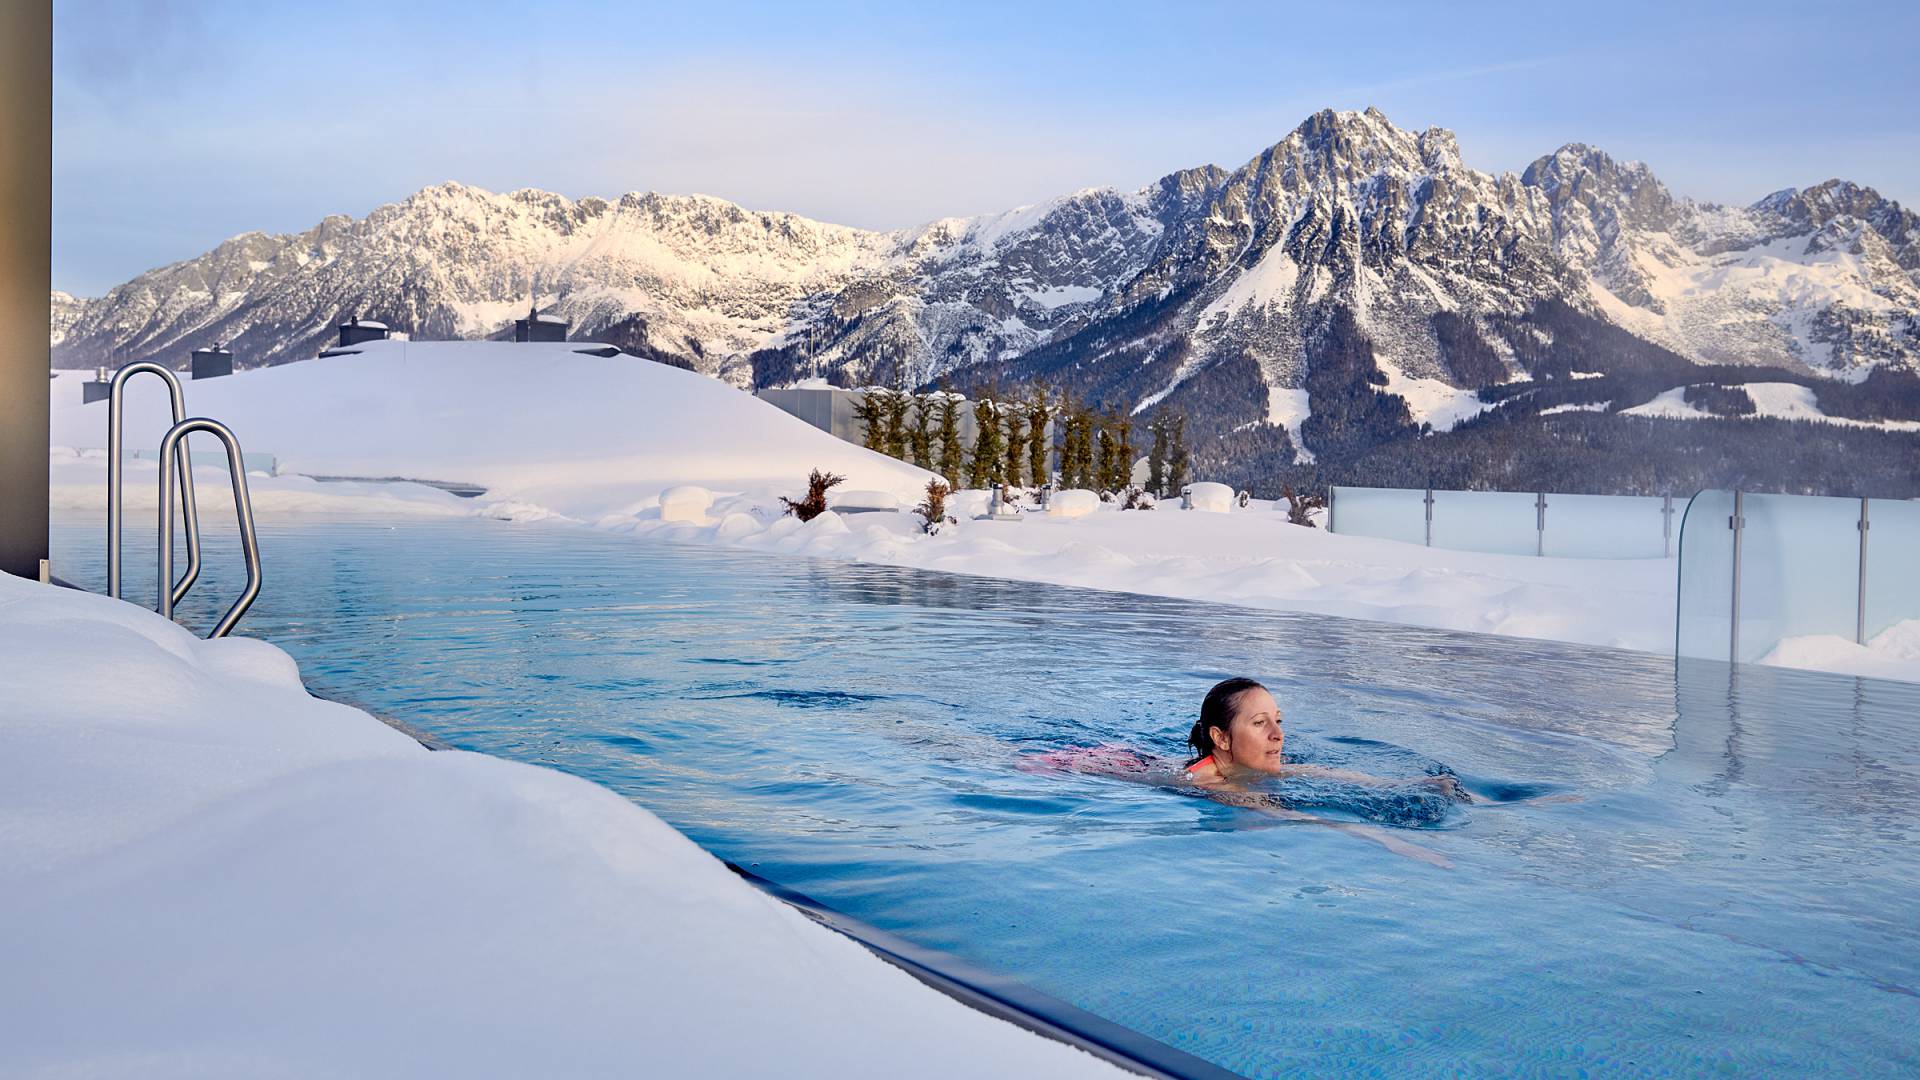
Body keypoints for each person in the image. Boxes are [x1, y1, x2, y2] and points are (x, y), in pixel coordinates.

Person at [1182, 677, 1469, 801]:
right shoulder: (1213, 786)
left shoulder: (1244, 767)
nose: (1278, 735)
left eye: (1278, 721)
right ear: (1221, 738)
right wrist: (1387, 840)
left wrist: (1412, 785)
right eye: (1260, 723)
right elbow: (1305, 820)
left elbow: (1321, 773)